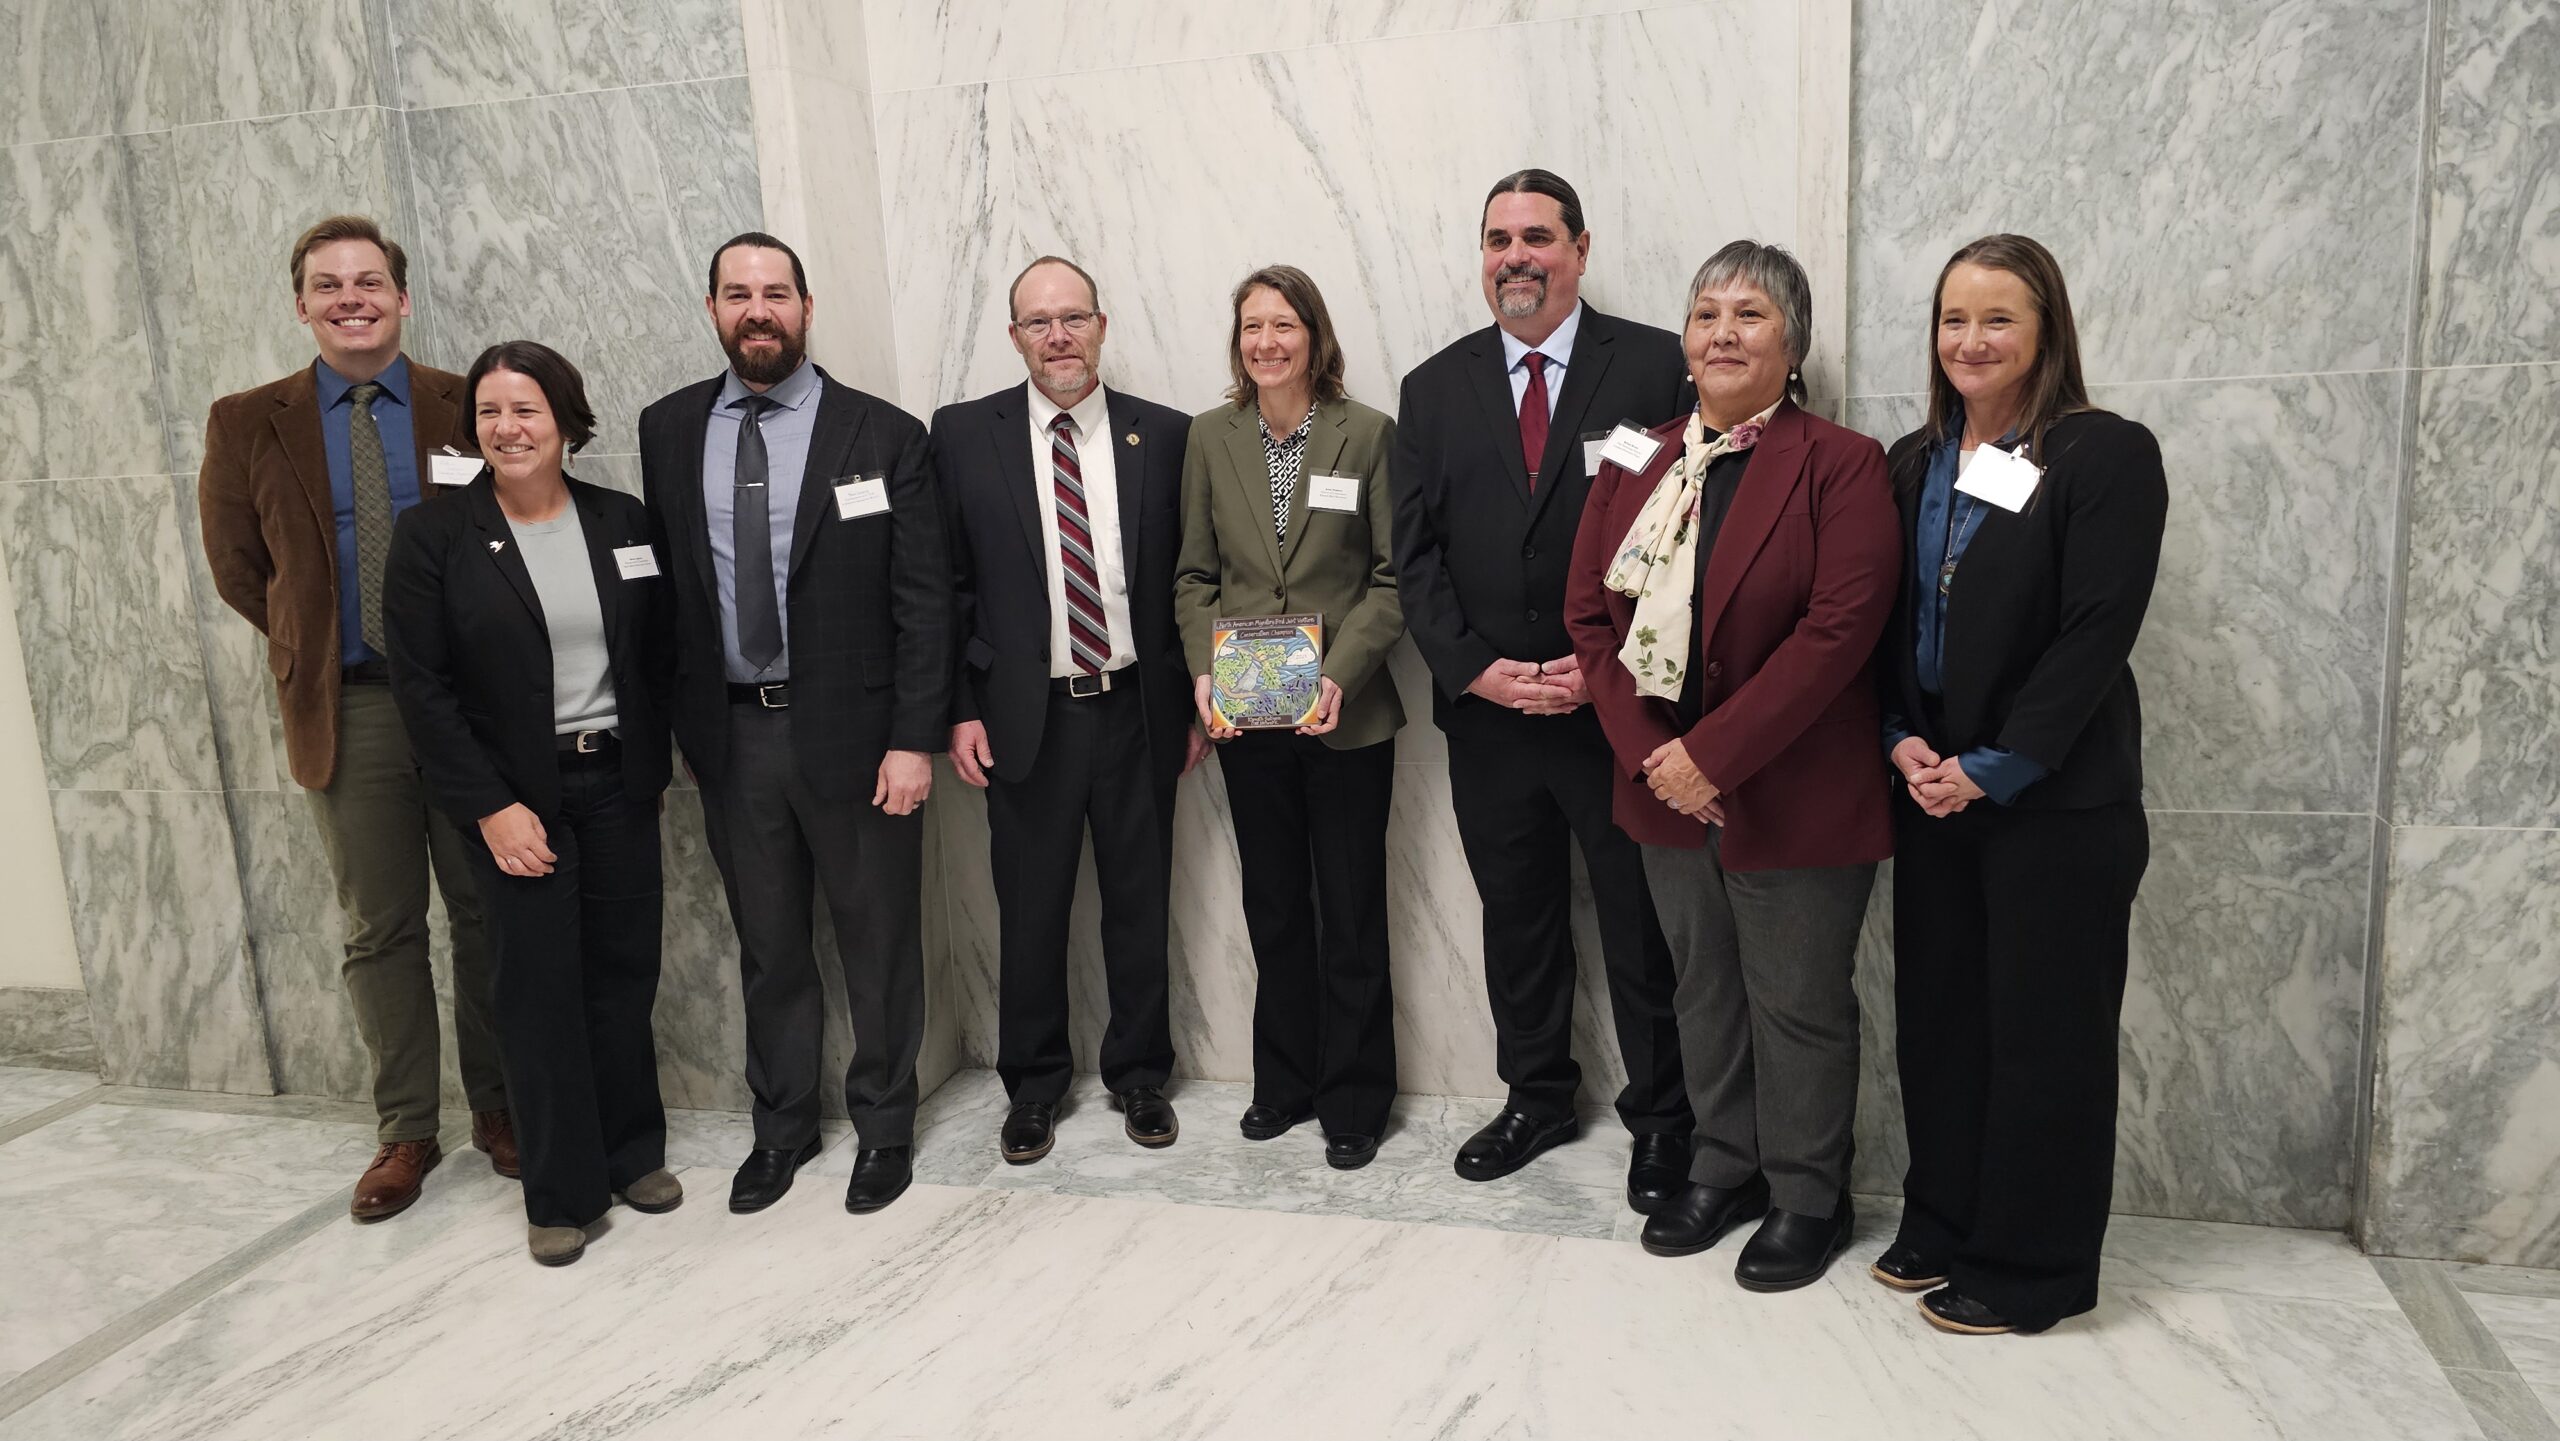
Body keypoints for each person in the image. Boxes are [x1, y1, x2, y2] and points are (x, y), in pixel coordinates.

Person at [1565, 240, 1899, 1291]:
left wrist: (1711, 757)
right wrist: (1652, 757)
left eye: (1749, 314)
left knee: (1797, 1000)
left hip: (1796, 790)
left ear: (1793, 344)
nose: (1722, 333)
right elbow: (1590, 617)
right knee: (1703, 988)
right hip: (1662, 789)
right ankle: (1725, 1165)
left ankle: (1808, 1192)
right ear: (1683, 339)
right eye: (1706, 313)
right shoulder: (1635, 456)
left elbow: (1839, 630)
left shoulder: (1841, 462)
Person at [1872, 234, 2167, 1336]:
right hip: (1931, 791)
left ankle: (2031, 1265)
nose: (1971, 340)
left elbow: (2096, 630)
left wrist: (1993, 769)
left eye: (1998, 318)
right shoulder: (1912, 460)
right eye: (1954, 318)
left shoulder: (2104, 452)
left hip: (2054, 803)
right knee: (1940, 1024)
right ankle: (1943, 1218)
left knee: (2046, 1041)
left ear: (2046, 330)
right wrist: (1899, 738)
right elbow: (1887, 619)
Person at [197, 214, 514, 1220]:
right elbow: (240, 568)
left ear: (402, 297)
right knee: (381, 928)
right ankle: (406, 1129)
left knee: (487, 911)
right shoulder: (247, 421)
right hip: (354, 706)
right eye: (328, 285)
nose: (351, 299)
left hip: (469, 707)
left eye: (368, 281)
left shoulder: (465, 403)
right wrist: (315, 639)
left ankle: (502, 1108)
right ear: (302, 306)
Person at [1392, 169, 1694, 1212]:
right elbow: (1414, 557)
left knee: (1639, 925)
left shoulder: (1655, 365)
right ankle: (1536, 1098)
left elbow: (1688, 540)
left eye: (1536, 236)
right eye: (1497, 239)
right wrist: (1476, 669)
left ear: (1580, 248)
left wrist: (1604, 671)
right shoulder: (1433, 388)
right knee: (1515, 917)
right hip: (1490, 718)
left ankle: (1665, 1120)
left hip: (1617, 716)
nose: (1514, 256)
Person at [638, 232, 951, 1217]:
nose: (757, 310)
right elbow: (668, 594)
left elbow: (923, 602)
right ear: (712, 309)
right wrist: (683, 729)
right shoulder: (667, 429)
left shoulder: (883, 433)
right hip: (732, 739)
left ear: (806, 309)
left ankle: (884, 1125)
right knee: (768, 945)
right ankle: (782, 1128)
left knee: (877, 942)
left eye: (775, 293)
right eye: (738, 294)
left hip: (861, 740)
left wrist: (913, 739)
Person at [383, 342, 677, 1266]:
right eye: (490, 412)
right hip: (517, 799)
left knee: (623, 974)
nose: (507, 428)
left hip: (617, 783)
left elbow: (657, 652)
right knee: (538, 991)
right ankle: (561, 1191)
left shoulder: (622, 520)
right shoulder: (435, 535)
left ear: (565, 423)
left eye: (526, 410)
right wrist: (490, 807)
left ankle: (632, 1154)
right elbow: (423, 690)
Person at [932, 256, 1206, 1163]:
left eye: (1074, 317)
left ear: (1101, 325)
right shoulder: (962, 435)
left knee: (1139, 902)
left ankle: (1141, 1074)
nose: (1059, 336)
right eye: (1039, 322)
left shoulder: (1164, 434)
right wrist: (959, 708)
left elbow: (1188, 579)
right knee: (1030, 909)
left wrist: (1196, 700)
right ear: (1014, 336)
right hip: (1024, 717)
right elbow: (947, 584)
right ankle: (1034, 1085)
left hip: (1137, 710)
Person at [1174, 265, 1404, 1168]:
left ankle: (1355, 1096)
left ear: (1315, 335)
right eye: (1252, 327)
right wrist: (1203, 673)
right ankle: (1285, 1081)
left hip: (1346, 715)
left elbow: (1390, 578)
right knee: (1272, 904)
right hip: (1247, 713)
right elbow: (1196, 576)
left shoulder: (1367, 433)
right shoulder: (1210, 435)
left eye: (1284, 325)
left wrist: (1340, 672)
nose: (1266, 342)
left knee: (1351, 910)